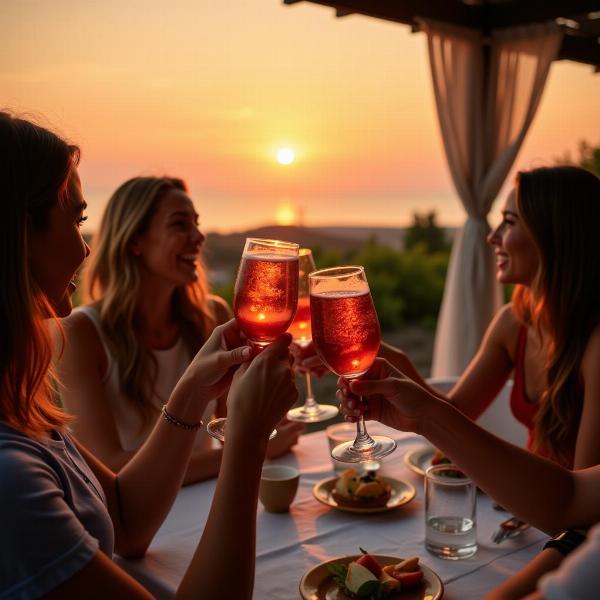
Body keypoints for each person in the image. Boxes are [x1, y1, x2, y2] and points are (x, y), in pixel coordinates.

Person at [0, 111, 298, 599]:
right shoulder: (9, 482)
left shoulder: (20, 409)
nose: (84, 248)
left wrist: (190, 393)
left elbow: (128, 522)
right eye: (76, 220)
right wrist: (246, 441)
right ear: (16, 237)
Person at [56, 176, 303, 485]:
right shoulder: (80, 333)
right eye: (179, 224)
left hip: (206, 495)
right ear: (135, 240)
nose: (198, 236)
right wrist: (256, 446)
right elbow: (109, 466)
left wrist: (264, 409)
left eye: (196, 223)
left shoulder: (213, 316)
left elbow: (229, 424)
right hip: (137, 517)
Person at [377, 166, 600, 471]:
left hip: (563, 512)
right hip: (529, 507)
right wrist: (382, 353)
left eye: (509, 223)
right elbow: (455, 414)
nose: (493, 237)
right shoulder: (514, 323)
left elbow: (584, 495)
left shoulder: (594, 344)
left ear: (555, 236)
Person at [339, 357, 600, 600]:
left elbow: (575, 511)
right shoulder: (512, 321)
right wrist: (423, 417)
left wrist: (424, 416)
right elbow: (573, 499)